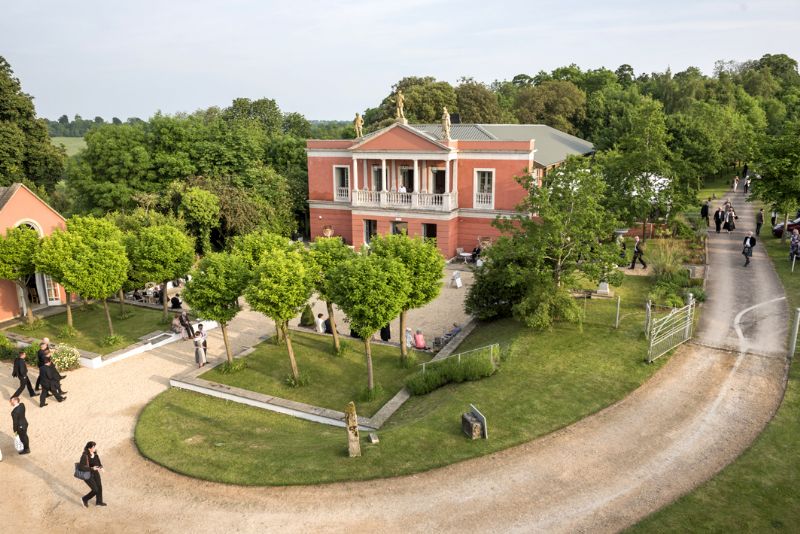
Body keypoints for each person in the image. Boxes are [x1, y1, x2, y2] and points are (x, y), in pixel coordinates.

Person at [79, 441, 106, 507]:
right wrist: (92, 468)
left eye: (94, 447)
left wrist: (101, 467)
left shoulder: (95, 454)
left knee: (99, 487)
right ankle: (84, 499)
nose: (94, 448)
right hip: (88, 475)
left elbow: (98, 463)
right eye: (93, 447)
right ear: (89, 448)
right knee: (95, 490)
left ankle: (99, 502)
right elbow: (81, 467)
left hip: (95, 473)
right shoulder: (84, 456)